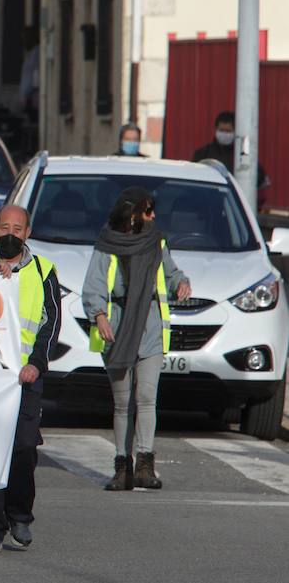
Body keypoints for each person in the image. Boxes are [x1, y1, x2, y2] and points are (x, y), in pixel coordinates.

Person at [83, 187, 190, 491]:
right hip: (116, 327)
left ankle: (145, 466)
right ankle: (122, 468)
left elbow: (170, 273)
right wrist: (99, 316)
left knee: (146, 397)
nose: (153, 216)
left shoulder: (156, 241)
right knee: (122, 403)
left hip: (150, 327)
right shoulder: (106, 244)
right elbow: (93, 285)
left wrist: (182, 282)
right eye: (148, 210)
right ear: (132, 214)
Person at [0, 204, 63, 552]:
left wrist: (37, 364)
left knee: (24, 448)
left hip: (26, 378)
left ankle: (20, 517)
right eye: (4, 227)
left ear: (27, 233)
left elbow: (50, 324)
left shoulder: (44, 270)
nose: (10, 234)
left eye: (17, 228)